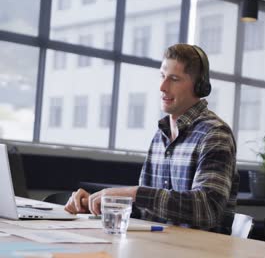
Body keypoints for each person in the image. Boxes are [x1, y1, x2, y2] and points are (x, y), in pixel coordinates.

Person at [64, 44, 239, 233]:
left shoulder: (215, 134)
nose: (162, 87)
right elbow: (144, 210)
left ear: (199, 86)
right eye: (162, 76)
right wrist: (98, 203)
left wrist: (134, 193)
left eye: (174, 79)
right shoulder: (160, 137)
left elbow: (208, 209)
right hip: (158, 246)